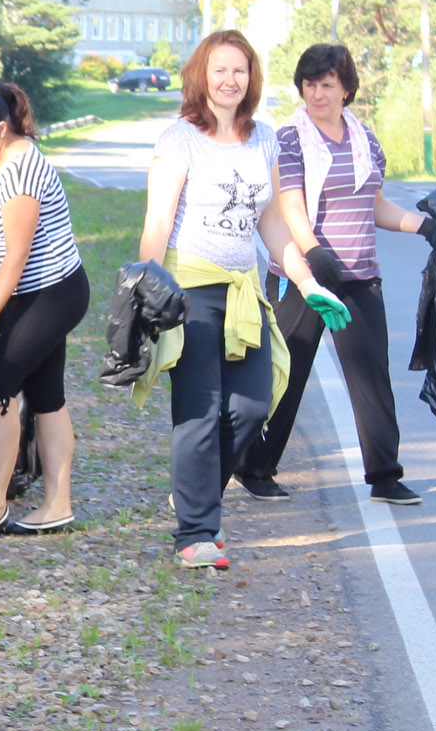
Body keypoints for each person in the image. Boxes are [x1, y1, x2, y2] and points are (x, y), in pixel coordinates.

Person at [137, 31, 348, 570]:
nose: (230, 80)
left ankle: (195, 487)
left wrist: (307, 283)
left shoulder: (265, 139)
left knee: (254, 402)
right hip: (188, 287)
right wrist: (146, 290)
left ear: (251, 78)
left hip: (244, 289)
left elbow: (272, 221)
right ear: (201, 75)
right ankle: (196, 532)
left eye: (240, 71)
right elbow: (159, 220)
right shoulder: (178, 139)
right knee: (199, 410)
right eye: (220, 70)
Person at [237, 43, 436, 506]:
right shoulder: (290, 138)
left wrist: (422, 226)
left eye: (327, 84)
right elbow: (289, 205)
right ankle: (256, 467)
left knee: (371, 376)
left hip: (360, 276)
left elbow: (376, 205)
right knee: (285, 373)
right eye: (309, 84)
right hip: (302, 274)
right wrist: (313, 254)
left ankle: (385, 475)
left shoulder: (366, 139)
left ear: (346, 89)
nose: (317, 94)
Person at [0, 83, 89, 539]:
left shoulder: (22, 170)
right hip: (26, 291)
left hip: (53, 292)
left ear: (2, 129)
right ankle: (57, 504)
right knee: (47, 394)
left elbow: (15, 256)